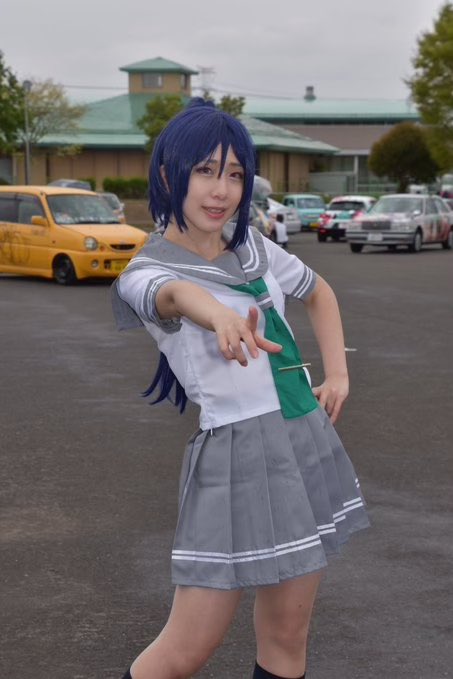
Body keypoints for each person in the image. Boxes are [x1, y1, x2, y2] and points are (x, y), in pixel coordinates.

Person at [111, 98, 370, 679]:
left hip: (301, 434)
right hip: (236, 454)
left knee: (287, 637)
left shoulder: (252, 244)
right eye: (205, 170)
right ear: (167, 174)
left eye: (234, 173)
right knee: (186, 650)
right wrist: (219, 316)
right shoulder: (144, 272)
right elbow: (176, 296)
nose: (221, 190)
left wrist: (338, 374)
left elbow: (319, 292)